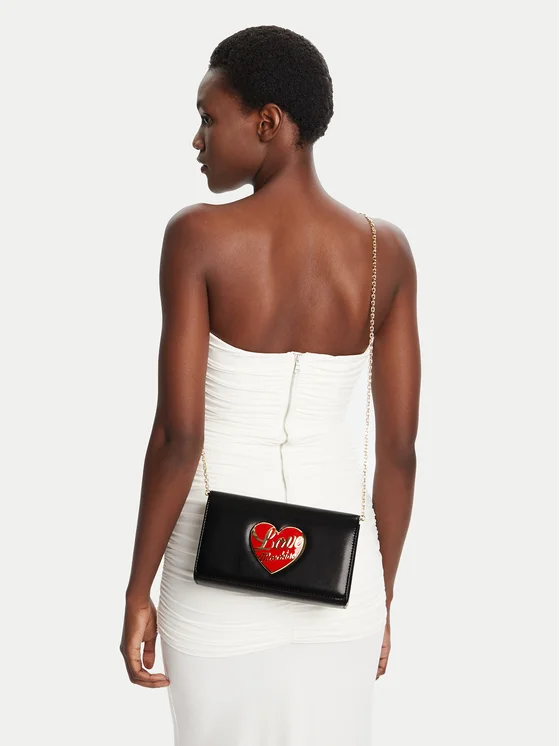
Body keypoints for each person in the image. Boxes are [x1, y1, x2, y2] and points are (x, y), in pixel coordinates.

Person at [120, 24, 420, 746]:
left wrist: (137, 590)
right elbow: (400, 452)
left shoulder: (197, 237)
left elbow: (178, 435)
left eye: (207, 117)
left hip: (213, 568)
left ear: (268, 122)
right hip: (342, 580)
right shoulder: (384, 251)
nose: (196, 140)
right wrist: (381, 593)